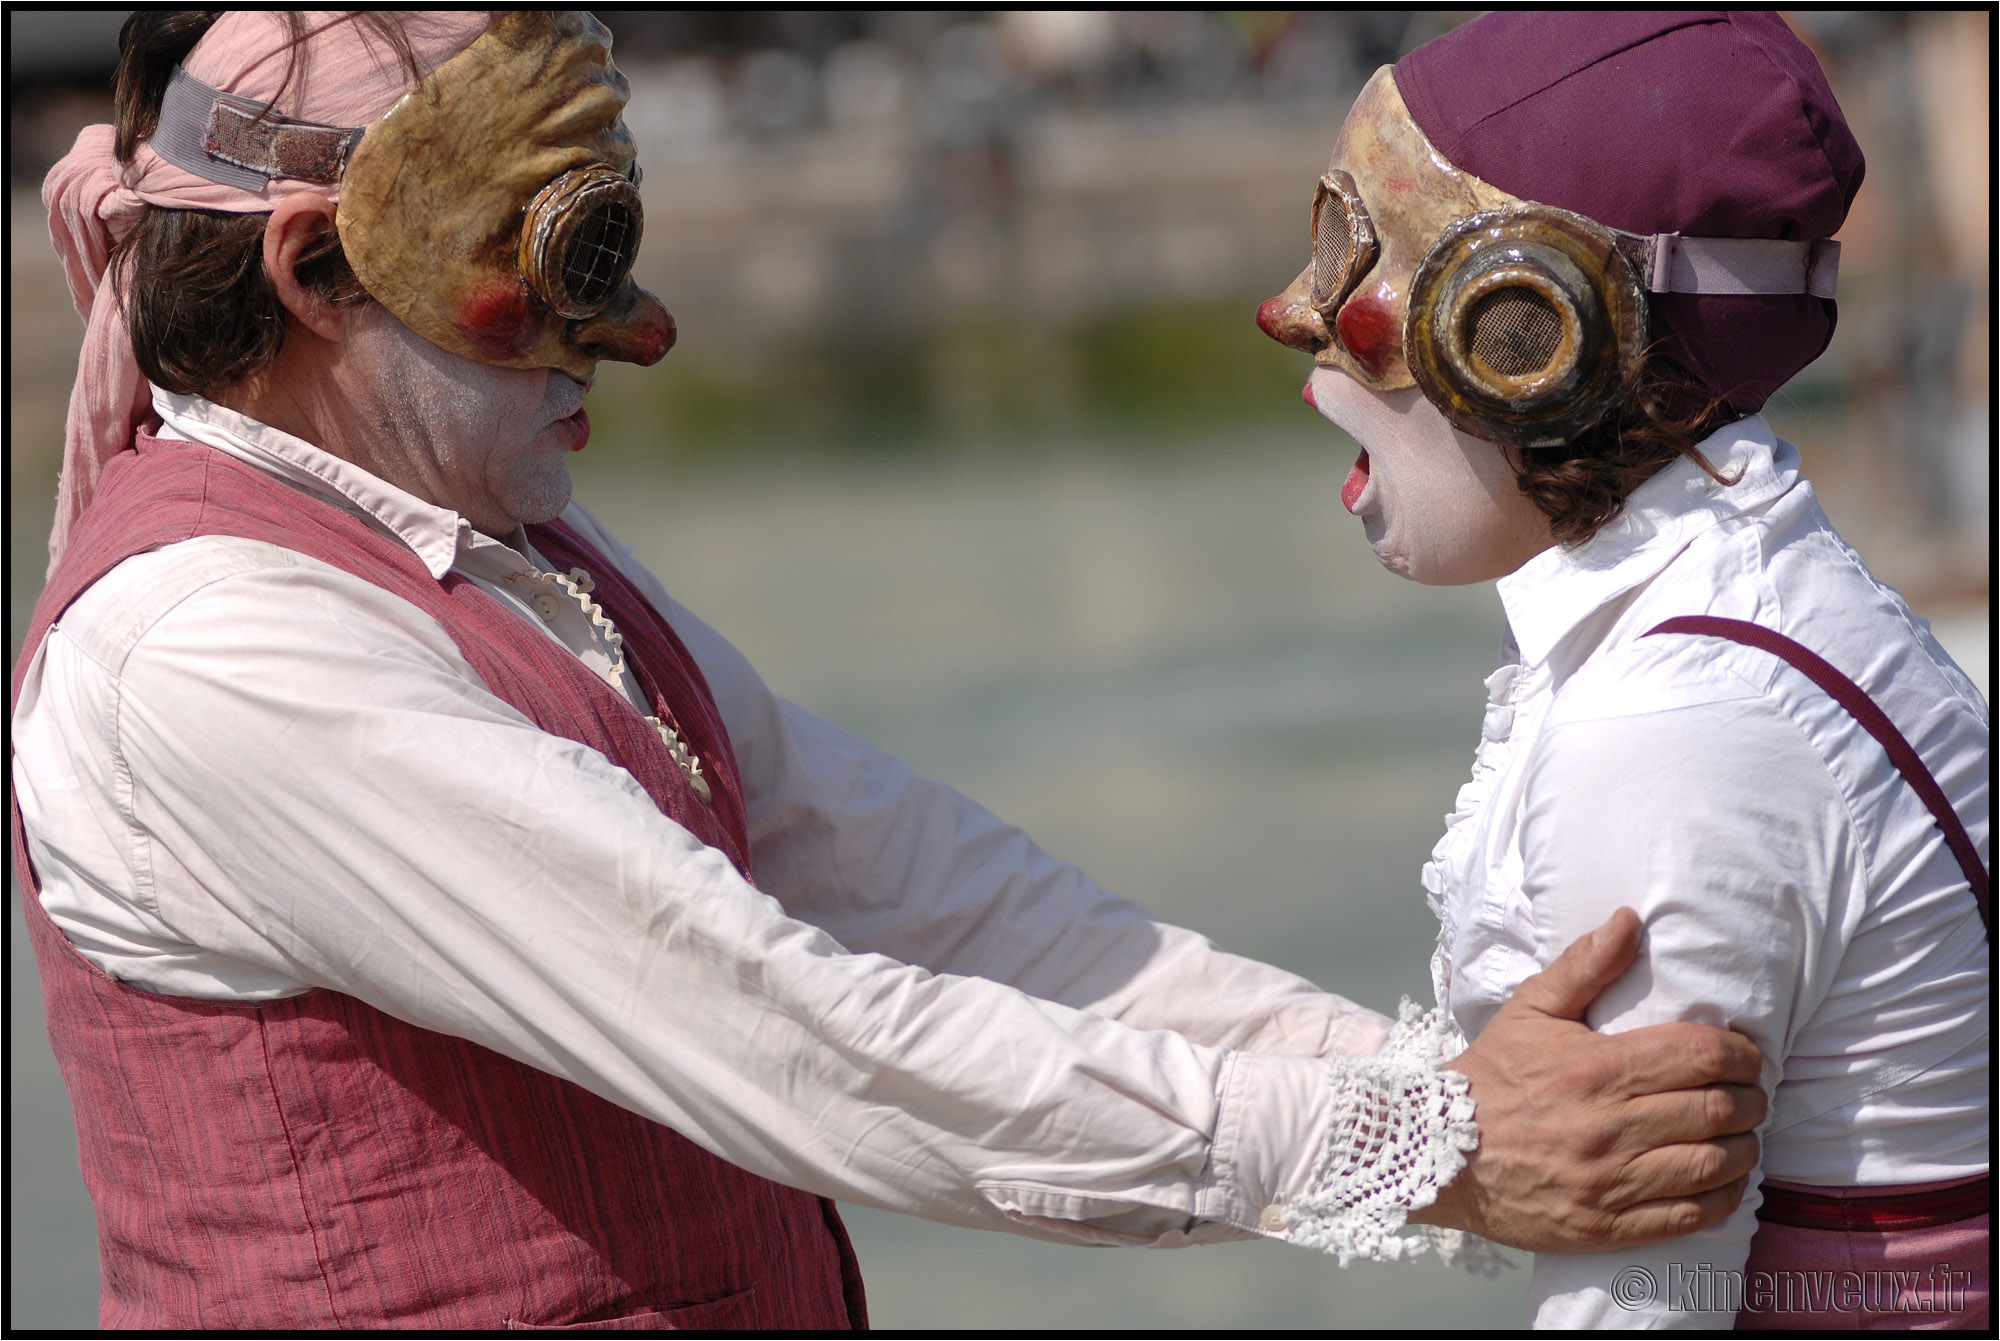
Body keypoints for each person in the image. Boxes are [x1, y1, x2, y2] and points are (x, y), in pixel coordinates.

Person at [13, 12, 1769, 1331]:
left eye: (611, 243)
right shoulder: (211, 650)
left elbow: (948, 906)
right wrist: (1422, 1148)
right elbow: (794, 1038)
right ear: (316, 270)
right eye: (552, 268)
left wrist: (1446, 1106)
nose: (637, 335)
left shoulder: (500, 532)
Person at [1257, 11, 1989, 1330]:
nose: (1293, 318)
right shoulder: (1753, 606)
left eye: (1360, 253)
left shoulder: (1679, 721)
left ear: (1526, 329)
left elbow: (1641, 1296)